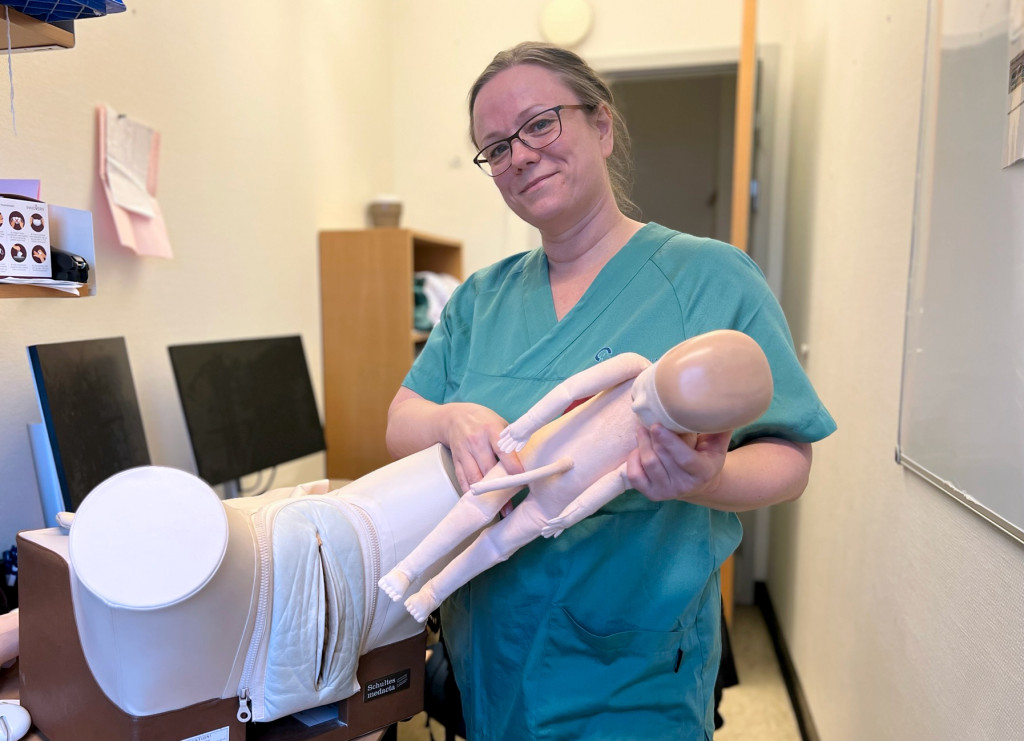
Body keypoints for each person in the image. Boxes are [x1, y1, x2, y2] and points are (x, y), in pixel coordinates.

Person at [384, 41, 836, 740]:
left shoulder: (711, 279)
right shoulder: (479, 299)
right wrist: (450, 419)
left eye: (540, 124)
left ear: (602, 125)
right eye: (495, 147)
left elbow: (788, 456)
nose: (520, 156)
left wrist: (705, 476)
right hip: (490, 661)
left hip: (634, 672)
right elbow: (401, 419)